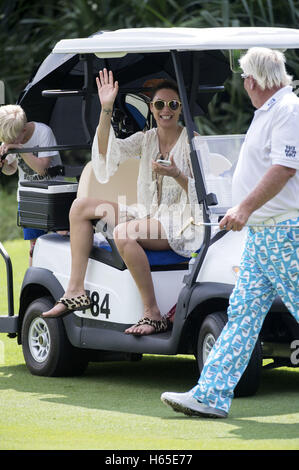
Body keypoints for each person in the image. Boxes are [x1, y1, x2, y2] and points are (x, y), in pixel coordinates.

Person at [161, 47, 299, 418]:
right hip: (262, 235)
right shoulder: (270, 112)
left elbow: (284, 169)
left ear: (253, 80)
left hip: (284, 232)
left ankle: (211, 394)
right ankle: (211, 395)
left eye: (244, 78)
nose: (243, 83)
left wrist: (244, 207)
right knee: (242, 315)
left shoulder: (288, 110)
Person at [41, 69, 204, 335]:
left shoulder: (192, 143)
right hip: (150, 215)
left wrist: (177, 175)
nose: (166, 110)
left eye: (173, 104)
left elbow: (204, 196)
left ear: (180, 107)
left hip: (182, 222)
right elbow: (107, 153)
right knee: (79, 207)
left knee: (123, 233)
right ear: (151, 108)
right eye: (160, 104)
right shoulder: (146, 138)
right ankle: (75, 291)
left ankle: (152, 313)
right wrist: (106, 109)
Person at [0, 105, 63, 265]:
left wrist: (21, 149)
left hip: (53, 195)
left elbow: (42, 169)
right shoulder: (12, 138)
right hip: (28, 198)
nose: (10, 142)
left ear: (23, 129)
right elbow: (12, 168)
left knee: (63, 238)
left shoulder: (43, 132)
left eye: (13, 139)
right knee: (34, 247)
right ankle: (33, 285)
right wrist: (4, 165)